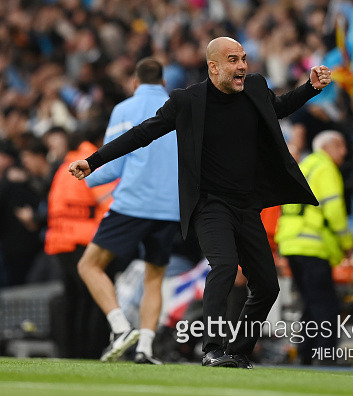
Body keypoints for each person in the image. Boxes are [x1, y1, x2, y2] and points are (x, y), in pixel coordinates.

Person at [69, 37, 330, 369]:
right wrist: (94, 161)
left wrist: (309, 87)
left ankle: (238, 350)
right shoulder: (187, 100)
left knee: (267, 286)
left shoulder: (254, 87)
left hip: (247, 205)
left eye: (244, 59)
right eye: (233, 60)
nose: (242, 66)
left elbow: (277, 107)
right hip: (209, 205)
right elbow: (143, 133)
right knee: (223, 267)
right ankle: (212, 348)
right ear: (213, 67)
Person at [75, 58, 181, 365]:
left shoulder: (124, 109)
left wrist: (87, 177)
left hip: (134, 202)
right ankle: (145, 348)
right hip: (170, 208)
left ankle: (121, 328)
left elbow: (114, 164)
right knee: (154, 278)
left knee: (89, 266)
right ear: (163, 83)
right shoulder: (180, 107)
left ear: (135, 82)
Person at [275, 130, 353, 365]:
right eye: (340, 146)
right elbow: (334, 211)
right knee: (326, 305)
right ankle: (326, 356)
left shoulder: (306, 164)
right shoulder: (325, 168)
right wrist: (347, 243)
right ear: (327, 147)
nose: (345, 151)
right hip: (312, 244)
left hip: (291, 243)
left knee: (310, 303)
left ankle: (306, 355)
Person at [45, 129, 116, 358]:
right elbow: (110, 204)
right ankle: (91, 352)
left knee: (72, 299)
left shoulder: (64, 165)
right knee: (94, 299)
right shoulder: (93, 161)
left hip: (60, 241)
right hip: (85, 240)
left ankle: (69, 352)